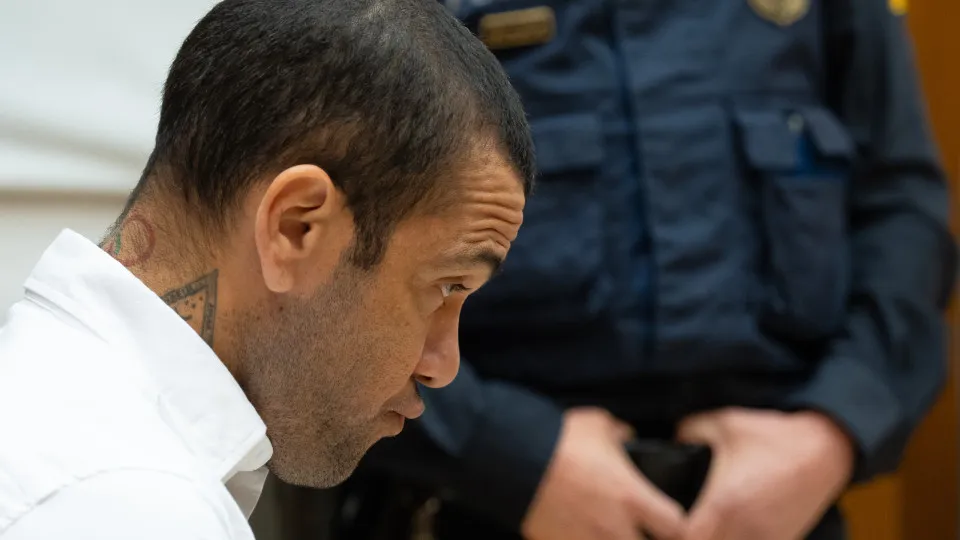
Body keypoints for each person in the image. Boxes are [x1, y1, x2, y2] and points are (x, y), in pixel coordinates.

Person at [328, 1, 958, 539]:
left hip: (781, 502)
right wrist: (505, 453)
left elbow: (899, 212)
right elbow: (323, 254)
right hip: (474, 499)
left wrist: (830, 434)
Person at [0, 0, 534, 538]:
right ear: (295, 227)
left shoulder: (57, 407)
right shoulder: (128, 502)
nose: (443, 366)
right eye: (446, 285)